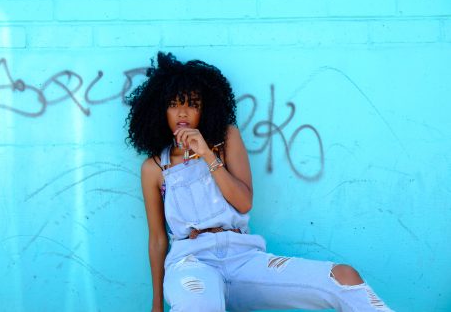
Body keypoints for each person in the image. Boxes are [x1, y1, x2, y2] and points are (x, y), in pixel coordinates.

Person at [126, 52, 393, 312]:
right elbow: (158, 239)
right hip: (191, 262)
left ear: (204, 110)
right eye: (174, 104)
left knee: (343, 278)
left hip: (243, 258)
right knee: (199, 302)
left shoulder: (225, 140)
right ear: (160, 110)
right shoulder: (154, 168)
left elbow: (243, 202)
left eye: (192, 104)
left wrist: (206, 153)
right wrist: (157, 305)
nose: (182, 112)